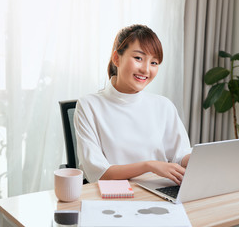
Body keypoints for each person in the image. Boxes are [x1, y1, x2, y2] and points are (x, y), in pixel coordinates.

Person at [74, 24, 191, 184]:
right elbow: (99, 173)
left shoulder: (163, 106)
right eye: (138, 58)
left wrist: (203, 159)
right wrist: (149, 166)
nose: (146, 70)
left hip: (159, 191)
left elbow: (180, 155)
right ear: (116, 58)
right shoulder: (89, 106)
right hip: (114, 195)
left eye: (154, 63)